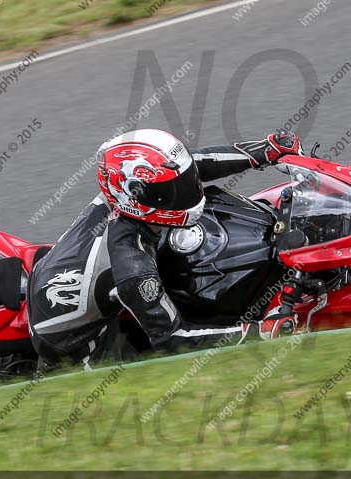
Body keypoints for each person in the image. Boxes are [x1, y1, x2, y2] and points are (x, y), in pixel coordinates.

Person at [27, 128, 302, 371]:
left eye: (182, 183)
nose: (186, 191)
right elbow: (172, 339)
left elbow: (194, 164)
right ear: (137, 197)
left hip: (67, 274)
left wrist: (263, 151)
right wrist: (259, 332)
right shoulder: (130, 262)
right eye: (171, 190)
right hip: (76, 345)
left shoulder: (131, 189)